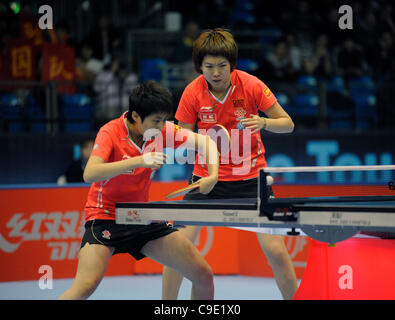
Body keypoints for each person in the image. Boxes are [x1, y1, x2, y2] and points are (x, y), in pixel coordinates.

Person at [162, 28, 298, 300]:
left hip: (252, 182)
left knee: (276, 252)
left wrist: (264, 122)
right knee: (175, 250)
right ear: (199, 66)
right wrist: (196, 142)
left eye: (221, 66)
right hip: (205, 182)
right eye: (208, 66)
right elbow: (183, 136)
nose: (215, 73)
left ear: (232, 65)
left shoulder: (251, 85)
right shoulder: (192, 92)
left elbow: (288, 125)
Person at [59, 80, 219, 300]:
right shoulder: (111, 131)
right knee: (85, 285)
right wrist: (138, 161)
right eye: (156, 121)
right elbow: (90, 173)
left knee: (203, 275)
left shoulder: (163, 130)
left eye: (165, 120)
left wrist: (213, 175)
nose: (162, 126)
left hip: (139, 216)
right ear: (135, 116)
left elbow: (206, 143)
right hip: (105, 216)